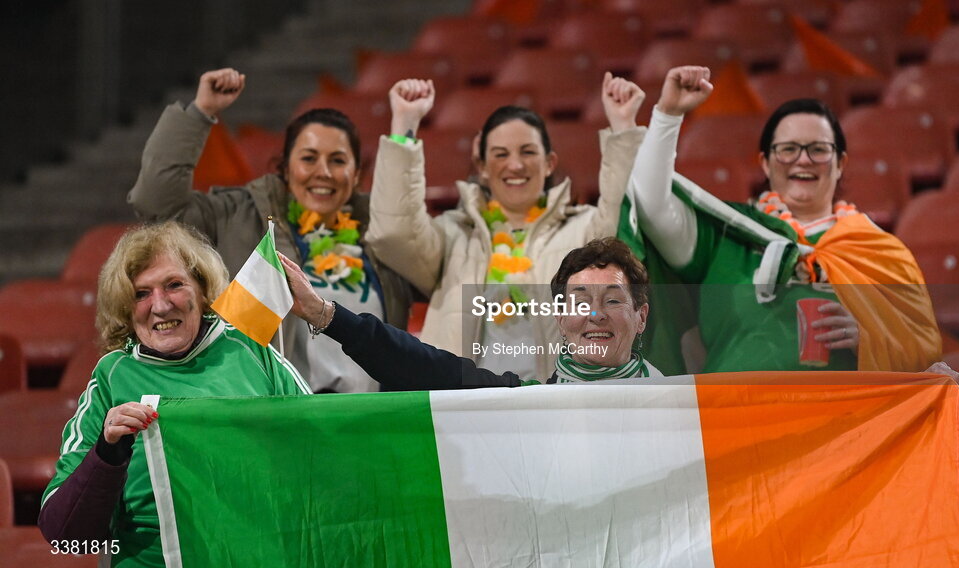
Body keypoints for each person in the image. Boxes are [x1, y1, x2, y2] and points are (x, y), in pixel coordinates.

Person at [38, 222, 311, 568]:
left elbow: (317, 462)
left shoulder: (254, 354)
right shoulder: (110, 376)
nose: (161, 306)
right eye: (140, 294)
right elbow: (67, 538)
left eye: (174, 285)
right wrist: (107, 456)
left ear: (201, 290)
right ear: (125, 306)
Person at [625, 66, 941, 374]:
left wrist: (869, 341)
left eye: (818, 149)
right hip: (735, 419)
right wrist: (668, 114)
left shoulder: (880, 251)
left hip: (842, 422)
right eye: (787, 149)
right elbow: (650, 203)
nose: (802, 159)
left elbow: (923, 350)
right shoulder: (729, 233)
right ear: (765, 162)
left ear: (841, 163)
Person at [128, 68, 413, 393]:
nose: (324, 172)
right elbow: (156, 204)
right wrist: (200, 112)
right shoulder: (238, 215)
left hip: (370, 421)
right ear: (285, 169)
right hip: (280, 416)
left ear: (357, 173)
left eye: (337, 160)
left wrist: (406, 128)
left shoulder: (382, 235)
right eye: (309, 158)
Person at [365, 74, 646, 381]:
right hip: (463, 408)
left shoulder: (582, 231)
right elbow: (392, 232)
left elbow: (627, 221)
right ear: (482, 167)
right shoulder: (454, 235)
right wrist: (404, 125)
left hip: (552, 405)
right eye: (500, 154)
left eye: (527, 152)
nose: (515, 165)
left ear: (550, 163)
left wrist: (623, 128)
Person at [284, 237, 661, 387]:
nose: (596, 315)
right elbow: (420, 364)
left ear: (641, 316)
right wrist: (323, 314)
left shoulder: (683, 407)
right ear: (561, 319)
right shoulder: (524, 406)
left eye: (613, 300)